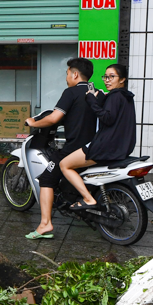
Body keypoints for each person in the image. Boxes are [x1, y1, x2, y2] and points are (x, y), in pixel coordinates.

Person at [22, 58, 96, 239]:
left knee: (47, 178)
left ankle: (45, 224)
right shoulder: (94, 91)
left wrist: (34, 122)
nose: (66, 78)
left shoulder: (70, 92)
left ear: (75, 74)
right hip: (94, 146)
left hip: (74, 148)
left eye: (67, 73)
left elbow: (54, 118)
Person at [59, 63, 137, 208]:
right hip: (122, 147)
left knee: (64, 165)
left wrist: (92, 101)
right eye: (105, 77)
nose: (107, 80)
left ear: (122, 79)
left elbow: (107, 118)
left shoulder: (115, 96)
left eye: (112, 77)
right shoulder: (126, 96)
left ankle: (88, 198)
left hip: (106, 146)